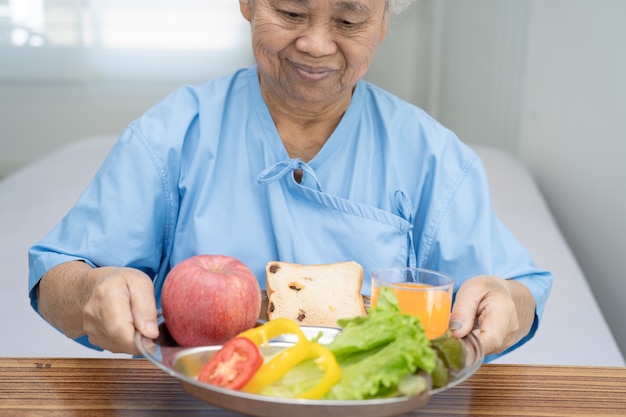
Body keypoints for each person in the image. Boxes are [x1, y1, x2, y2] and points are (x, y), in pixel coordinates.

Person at [28, 0, 552, 361]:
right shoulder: (171, 135)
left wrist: (503, 300)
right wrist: (91, 288)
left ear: (385, 20)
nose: (317, 44)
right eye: (290, 12)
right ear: (248, 3)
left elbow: (517, 293)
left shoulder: (431, 154)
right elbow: (55, 279)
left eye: (349, 20)